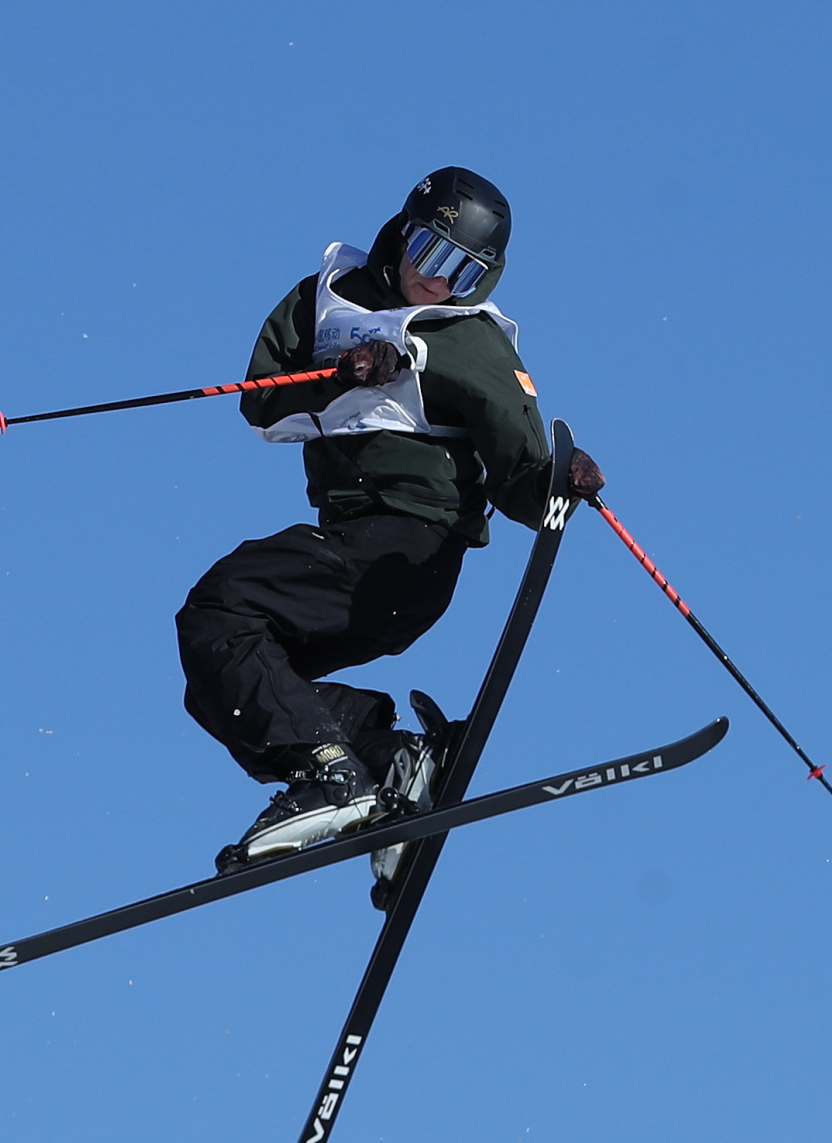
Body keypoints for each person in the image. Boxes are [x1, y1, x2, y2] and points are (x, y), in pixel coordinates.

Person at [175, 167, 604, 904]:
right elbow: (262, 400)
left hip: (408, 547)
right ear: (402, 231)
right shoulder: (328, 301)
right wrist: (347, 373)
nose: (436, 281)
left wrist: (561, 479)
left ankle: (330, 775)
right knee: (228, 674)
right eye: (430, 254)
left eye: (463, 271)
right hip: (355, 546)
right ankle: (393, 761)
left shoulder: (467, 341)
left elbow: (522, 471)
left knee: (222, 605)